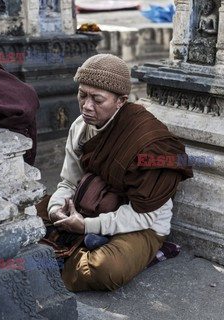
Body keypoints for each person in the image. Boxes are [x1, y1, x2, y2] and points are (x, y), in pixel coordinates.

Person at [47, 54, 193, 291]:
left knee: (104, 269)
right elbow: (69, 182)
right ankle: (82, 244)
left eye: (97, 99)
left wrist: (86, 226)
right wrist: (56, 209)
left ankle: (85, 247)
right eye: (82, 95)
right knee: (28, 217)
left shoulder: (150, 143)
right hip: (88, 204)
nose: (86, 105)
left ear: (121, 101)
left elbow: (144, 215)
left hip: (141, 225)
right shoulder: (80, 127)